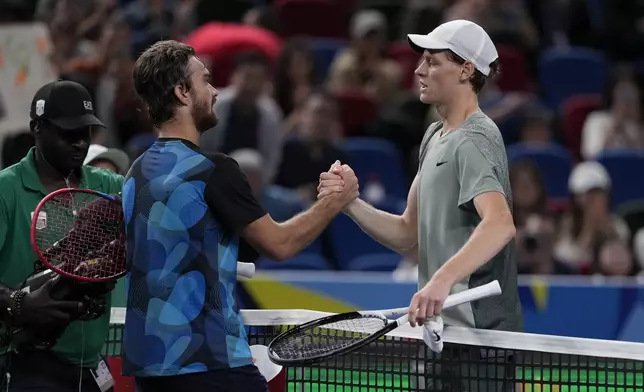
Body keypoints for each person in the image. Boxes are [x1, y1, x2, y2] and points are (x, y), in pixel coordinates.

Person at [123, 40, 358, 392]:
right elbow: (280, 244)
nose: (216, 91)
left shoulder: (136, 172)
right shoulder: (212, 169)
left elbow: (205, 244)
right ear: (183, 92)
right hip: (210, 362)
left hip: (149, 366)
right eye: (205, 81)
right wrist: (333, 201)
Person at [318, 20, 521, 390]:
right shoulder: (434, 136)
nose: (418, 70)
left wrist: (441, 280)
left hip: (478, 338)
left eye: (432, 61)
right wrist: (350, 203)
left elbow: (499, 224)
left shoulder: (477, 137)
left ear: (465, 69)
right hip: (439, 332)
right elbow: (408, 234)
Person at [0, 80, 123, 391]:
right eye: (69, 134)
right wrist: (17, 303)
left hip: (92, 366)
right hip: (25, 363)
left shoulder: (107, 186)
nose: (80, 143)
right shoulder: (6, 190)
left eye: (86, 133)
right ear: (37, 128)